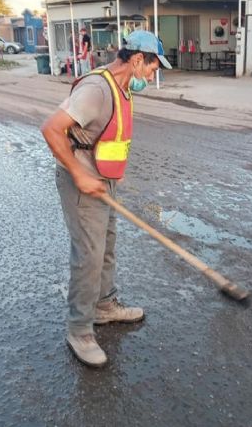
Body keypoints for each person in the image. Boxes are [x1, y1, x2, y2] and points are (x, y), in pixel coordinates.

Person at [40, 31, 172, 367]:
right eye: (153, 68)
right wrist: (81, 174)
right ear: (138, 59)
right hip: (81, 182)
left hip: (103, 180)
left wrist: (109, 172)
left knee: (106, 246)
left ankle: (103, 306)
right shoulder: (96, 90)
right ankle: (79, 329)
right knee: (89, 255)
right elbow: (52, 128)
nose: (153, 75)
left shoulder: (122, 86)